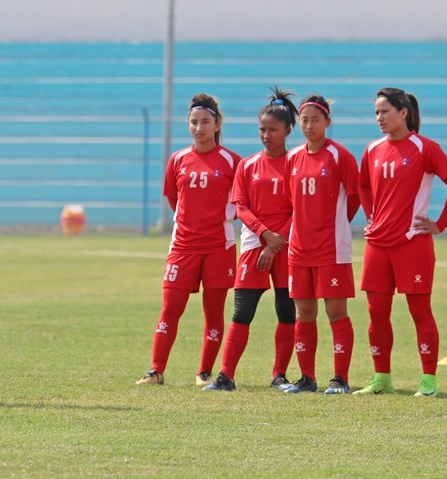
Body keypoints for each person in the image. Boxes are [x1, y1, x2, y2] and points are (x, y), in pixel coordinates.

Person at [353, 88, 447, 396]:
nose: (379, 118)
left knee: (420, 311)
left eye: (384, 112)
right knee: (376, 313)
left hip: (412, 242)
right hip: (377, 244)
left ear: (403, 113)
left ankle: (428, 380)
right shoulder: (373, 149)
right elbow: (362, 184)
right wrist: (371, 216)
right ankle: (382, 379)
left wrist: (440, 224)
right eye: (376, 112)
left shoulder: (425, 147)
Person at [136, 94, 241, 387]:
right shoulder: (178, 159)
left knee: (214, 311)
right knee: (170, 307)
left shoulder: (233, 162)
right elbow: (174, 198)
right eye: (194, 122)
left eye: (205, 121)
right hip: (183, 246)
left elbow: (241, 202)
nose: (199, 127)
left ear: (217, 123)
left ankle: (204, 372)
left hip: (219, 246)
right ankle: (156, 371)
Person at [204, 88, 299, 392]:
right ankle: (225, 376)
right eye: (262, 129)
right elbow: (240, 207)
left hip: (286, 247)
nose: (266, 135)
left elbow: (299, 208)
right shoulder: (247, 165)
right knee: (242, 312)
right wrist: (264, 236)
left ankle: (279, 375)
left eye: (272, 130)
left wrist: (276, 241)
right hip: (253, 246)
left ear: (288, 130)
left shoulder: (296, 163)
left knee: (286, 311)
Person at [280, 94, 360, 394]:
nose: (309, 125)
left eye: (316, 120)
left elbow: (354, 197)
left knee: (336, 313)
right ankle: (307, 378)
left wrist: (335, 225)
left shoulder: (340, 156)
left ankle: (340, 378)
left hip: (332, 249)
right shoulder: (293, 158)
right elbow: (291, 202)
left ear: (328, 122)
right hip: (299, 249)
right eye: (304, 120)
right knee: (304, 314)